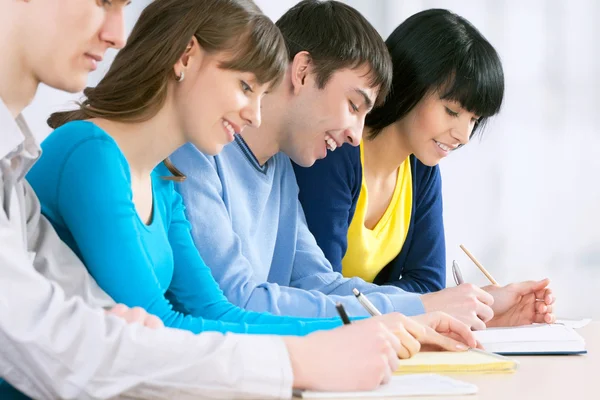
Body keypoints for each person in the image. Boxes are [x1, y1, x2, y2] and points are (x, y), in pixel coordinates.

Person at [0, 0, 448, 398]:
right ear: (188, 57)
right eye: (246, 86)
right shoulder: (93, 154)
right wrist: (316, 349)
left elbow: (204, 311)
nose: (254, 114)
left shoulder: (162, 175)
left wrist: (358, 329)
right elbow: (148, 326)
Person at [171, 0, 555, 329]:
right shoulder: (200, 149)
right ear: (302, 71)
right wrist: (420, 308)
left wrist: (461, 307)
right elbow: (235, 302)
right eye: (353, 106)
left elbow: (320, 283)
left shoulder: (282, 168)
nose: (355, 134)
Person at [293, 8, 556, 329]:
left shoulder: (421, 169)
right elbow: (321, 292)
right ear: (410, 83)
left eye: (473, 120)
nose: (463, 136)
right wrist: (427, 303)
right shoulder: (333, 149)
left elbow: (428, 284)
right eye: (451, 111)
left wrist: (469, 303)